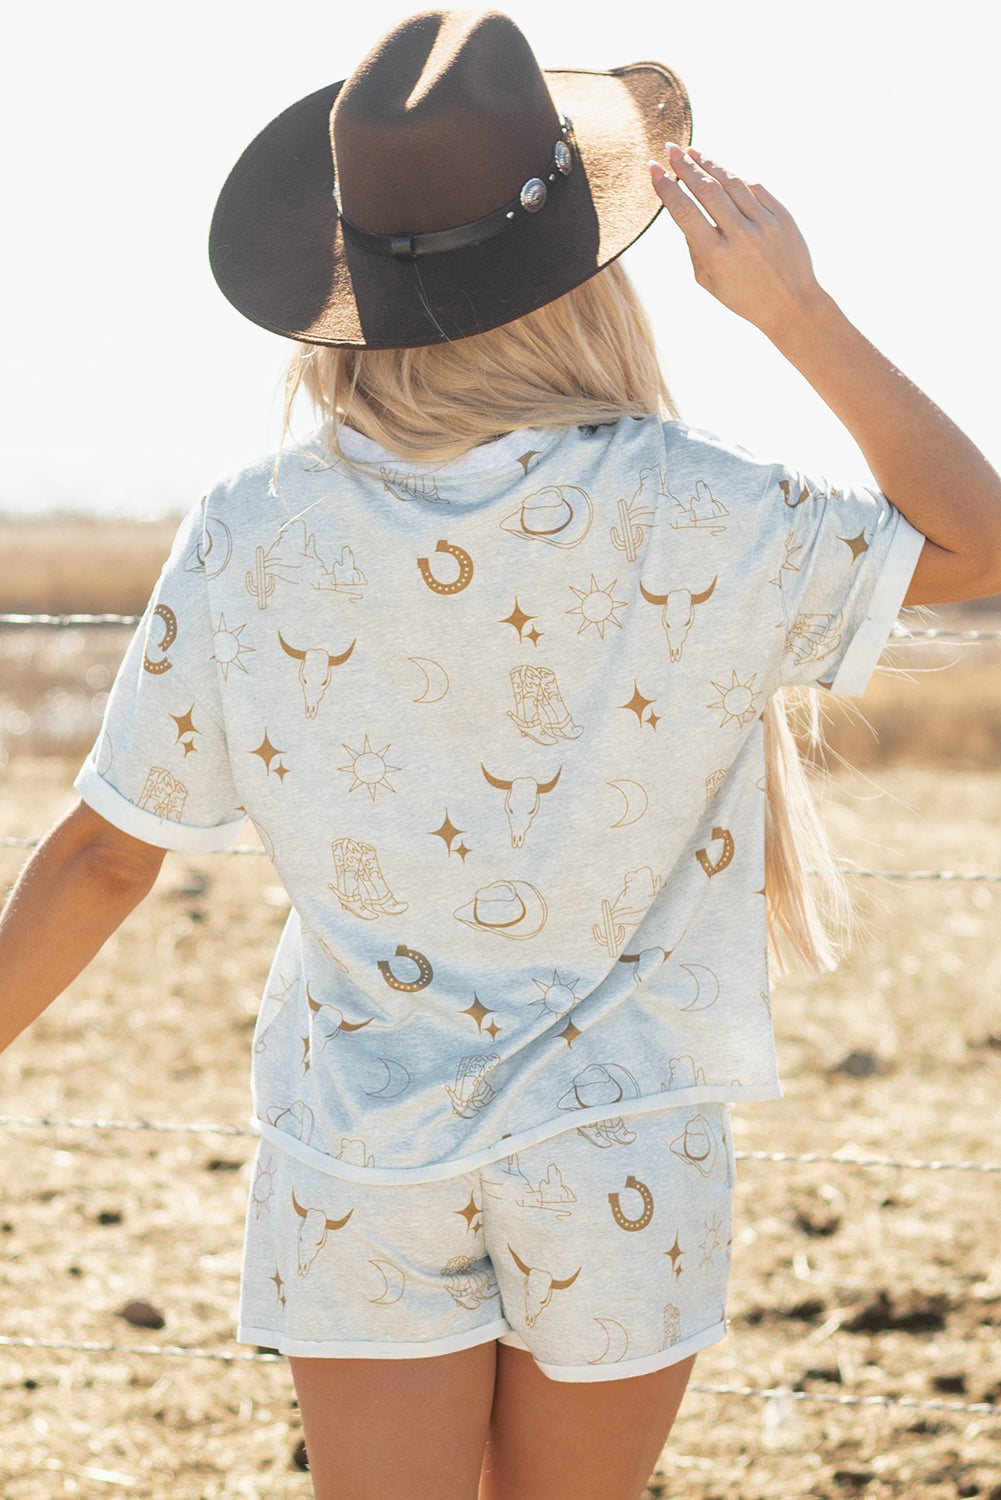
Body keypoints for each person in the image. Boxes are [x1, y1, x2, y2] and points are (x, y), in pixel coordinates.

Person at [2, 12, 1000, 1500]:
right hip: (621, 1149)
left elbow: (104, 855)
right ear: (578, 272)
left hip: (359, 1155)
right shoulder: (696, 508)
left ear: (342, 277)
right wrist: (793, 311)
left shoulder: (251, 527)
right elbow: (973, 542)